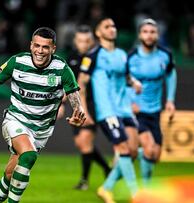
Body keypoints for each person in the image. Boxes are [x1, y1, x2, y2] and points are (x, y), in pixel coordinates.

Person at [0, 27, 86, 203]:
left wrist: (78, 112)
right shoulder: (17, 62)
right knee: (29, 156)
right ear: (31, 45)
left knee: (10, 175)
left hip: (41, 131)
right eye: (36, 46)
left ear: (53, 48)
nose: (39, 51)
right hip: (16, 120)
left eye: (45, 47)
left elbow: (75, 96)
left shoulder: (61, 69)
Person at [77, 17, 141, 203]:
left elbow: (127, 77)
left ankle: (106, 188)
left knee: (133, 150)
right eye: (107, 26)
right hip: (107, 110)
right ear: (98, 33)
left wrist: (135, 83)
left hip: (124, 109)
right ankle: (135, 193)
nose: (112, 29)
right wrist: (84, 110)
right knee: (122, 147)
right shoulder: (93, 55)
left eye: (113, 25)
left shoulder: (122, 54)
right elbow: (82, 83)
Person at [127, 18, 177, 185]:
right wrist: (130, 101)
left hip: (154, 110)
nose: (149, 35)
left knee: (155, 155)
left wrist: (170, 100)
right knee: (149, 148)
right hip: (136, 110)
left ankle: (127, 155)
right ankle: (146, 190)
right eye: (145, 32)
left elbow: (171, 75)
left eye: (152, 32)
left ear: (157, 35)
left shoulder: (165, 55)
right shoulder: (131, 57)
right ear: (140, 35)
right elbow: (123, 81)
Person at [64, 25, 111, 190]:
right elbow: (69, 83)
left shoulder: (96, 57)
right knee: (81, 144)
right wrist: (61, 103)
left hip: (92, 104)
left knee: (85, 143)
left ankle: (84, 180)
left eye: (86, 40)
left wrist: (86, 110)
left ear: (91, 41)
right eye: (80, 40)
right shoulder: (72, 57)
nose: (83, 44)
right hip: (76, 103)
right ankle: (107, 168)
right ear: (75, 41)